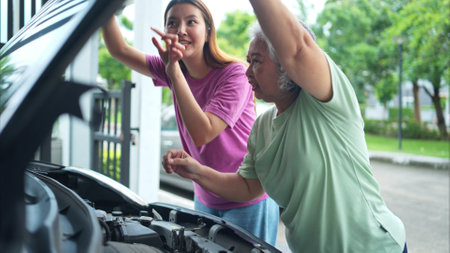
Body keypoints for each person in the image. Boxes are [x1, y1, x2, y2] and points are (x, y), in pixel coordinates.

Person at [162, 0, 407, 252]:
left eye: (256, 61)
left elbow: (297, 48)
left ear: (286, 66)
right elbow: (247, 187)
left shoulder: (325, 103)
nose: (247, 73)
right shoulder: (263, 127)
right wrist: (196, 171)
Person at [101, 0, 279, 245]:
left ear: (208, 31)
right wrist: (100, 7)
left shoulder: (234, 74)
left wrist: (173, 71)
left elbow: (202, 132)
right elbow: (119, 49)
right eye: (172, 23)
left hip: (246, 199)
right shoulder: (172, 68)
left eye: (191, 22)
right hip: (205, 196)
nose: (180, 30)